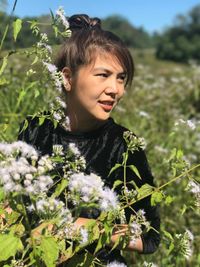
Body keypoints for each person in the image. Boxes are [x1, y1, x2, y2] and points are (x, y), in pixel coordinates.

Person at [18, 14, 160, 265]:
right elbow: (14, 198)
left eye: (121, 78)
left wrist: (87, 228)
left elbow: (150, 236)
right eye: (103, 75)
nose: (116, 89)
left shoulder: (124, 146)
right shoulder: (36, 129)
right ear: (67, 77)